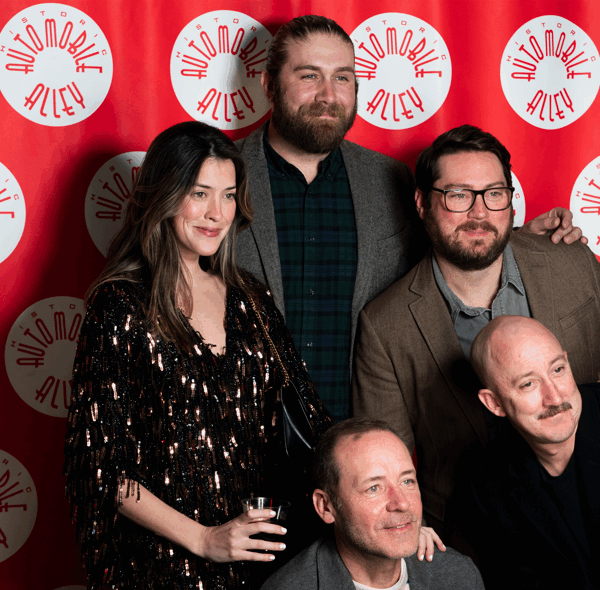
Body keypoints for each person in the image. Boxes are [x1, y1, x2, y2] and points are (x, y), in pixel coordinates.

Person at [234, 16, 581, 423]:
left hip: (361, 433)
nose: (328, 94)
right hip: (243, 428)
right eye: (309, 76)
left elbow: (448, 248)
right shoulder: (217, 176)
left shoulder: (390, 179)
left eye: (342, 78)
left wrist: (518, 242)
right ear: (269, 85)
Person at [63, 121, 332, 590]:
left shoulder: (251, 297)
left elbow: (312, 416)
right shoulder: (120, 306)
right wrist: (205, 539)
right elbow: (100, 466)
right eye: (199, 193)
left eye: (228, 195)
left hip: (258, 557)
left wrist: (381, 505)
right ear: (164, 196)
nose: (217, 213)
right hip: (159, 566)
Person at [352, 124, 600, 538]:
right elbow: (382, 463)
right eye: (458, 195)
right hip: (471, 543)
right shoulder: (385, 326)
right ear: (422, 203)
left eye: (493, 194)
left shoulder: (571, 262)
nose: (479, 213)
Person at [261, 418, 484, 589]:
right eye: (374, 488)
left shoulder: (460, 577)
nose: (402, 503)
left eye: (407, 481)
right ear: (326, 507)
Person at [468, 315, 600, 589]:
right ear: (494, 403)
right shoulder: (489, 485)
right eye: (528, 384)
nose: (555, 397)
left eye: (558, 370)